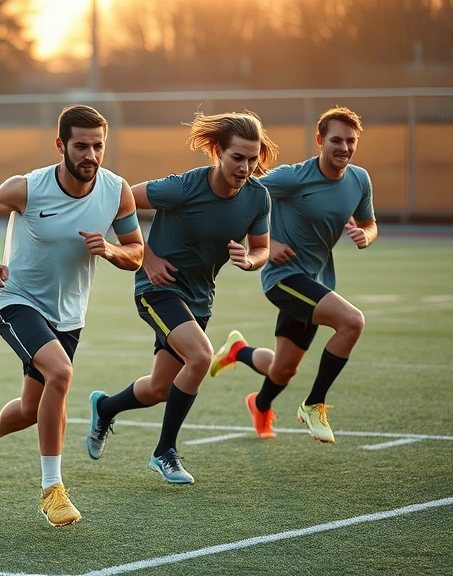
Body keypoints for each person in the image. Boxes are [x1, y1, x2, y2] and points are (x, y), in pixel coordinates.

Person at [0, 104, 144, 527]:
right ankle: (52, 490)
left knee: (32, 406)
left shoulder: (117, 191)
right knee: (60, 375)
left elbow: (136, 252)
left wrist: (113, 250)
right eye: (81, 146)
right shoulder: (26, 188)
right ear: (61, 145)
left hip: (69, 315)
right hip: (17, 301)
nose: (91, 155)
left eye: (98, 146)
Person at [85, 111, 276, 485]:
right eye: (238, 157)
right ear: (217, 151)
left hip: (198, 299)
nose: (246, 167)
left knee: (159, 388)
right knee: (203, 355)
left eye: (253, 159)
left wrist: (250, 260)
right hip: (157, 290)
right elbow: (119, 200)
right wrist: (147, 256)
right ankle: (164, 452)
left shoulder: (258, 198)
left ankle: (104, 407)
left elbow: (263, 249)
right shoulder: (183, 188)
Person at [208, 107, 376, 444]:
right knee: (352, 322)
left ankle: (240, 357)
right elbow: (238, 194)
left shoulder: (360, 180)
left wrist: (365, 235)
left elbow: (369, 223)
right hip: (283, 278)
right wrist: (271, 242)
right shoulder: (293, 178)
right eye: (336, 140)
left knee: (283, 370)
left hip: (316, 281)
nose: (343, 147)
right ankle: (314, 404)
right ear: (320, 140)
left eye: (350, 141)